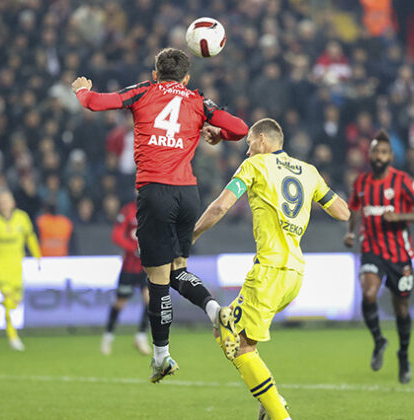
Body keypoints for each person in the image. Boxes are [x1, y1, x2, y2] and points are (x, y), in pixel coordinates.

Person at [72, 48, 249, 382]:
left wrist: (81, 88)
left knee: (157, 282)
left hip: (154, 193)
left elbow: (95, 103)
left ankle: (161, 357)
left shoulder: (143, 91)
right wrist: (218, 134)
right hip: (188, 195)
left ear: (155, 73)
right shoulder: (198, 100)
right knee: (178, 271)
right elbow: (240, 128)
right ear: (186, 77)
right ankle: (216, 311)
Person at [193, 119, 350, 420]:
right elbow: (342, 211)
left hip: (269, 269)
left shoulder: (255, 167)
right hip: (295, 273)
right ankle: (272, 401)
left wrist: (191, 236)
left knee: (235, 343)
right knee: (229, 331)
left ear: (263, 139)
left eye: (249, 142)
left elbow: (220, 207)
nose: (247, 150)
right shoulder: (309, 172)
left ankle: (279, 412)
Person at [344, 131, 414, 384]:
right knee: (369, 292)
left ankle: (403, 355)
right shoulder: (361, 183)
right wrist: (351, 233)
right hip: (371, 248)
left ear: (391, 157)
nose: (379, 156)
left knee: (401, 309)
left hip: (399, 254)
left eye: (384, 152)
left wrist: (401, 217)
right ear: (370, 154)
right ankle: (378, 340)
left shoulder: (404, 182)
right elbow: (354, 209)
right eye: (375, 151)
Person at [0, 190, 41, 351]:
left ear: (13, 203)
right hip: (0, 267)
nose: (4, 204)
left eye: (7, 201)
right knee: (9, 299)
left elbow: (30, 237)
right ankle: (13, 336)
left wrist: (38, 256)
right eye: (1, 201)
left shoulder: (21, 218)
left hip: (17, 267)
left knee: (14, 303)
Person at [101, 200, 150, 357]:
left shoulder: (154, 209)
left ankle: (141, 336)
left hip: (147, 266)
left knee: (150, 300)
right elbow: (116, 235)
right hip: (129, 266)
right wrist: (133, 248)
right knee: (120, 303)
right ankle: (108, 336)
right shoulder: (128, 210)